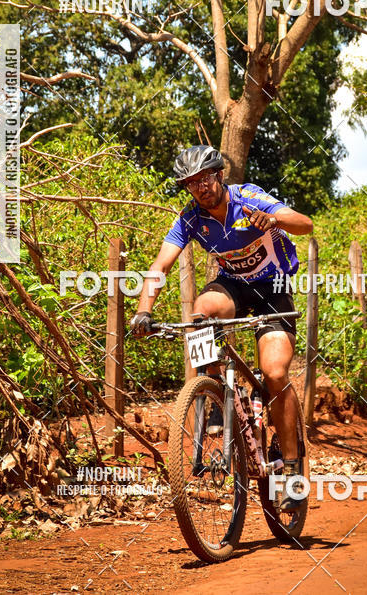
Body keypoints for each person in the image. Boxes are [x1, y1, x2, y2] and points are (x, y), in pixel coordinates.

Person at [130, 145, 313, 511]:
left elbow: (305, 223)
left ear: (219, 174)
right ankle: (214, 396)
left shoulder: (248, 198)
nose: (200, 187)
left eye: (205, 178)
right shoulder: (190, 218)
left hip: (272, 290)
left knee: (274, 372)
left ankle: (293, 471)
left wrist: (271, 220)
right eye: (191, 183)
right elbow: (160, 266)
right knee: (202, 309)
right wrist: (142, 312)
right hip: (232, 286)